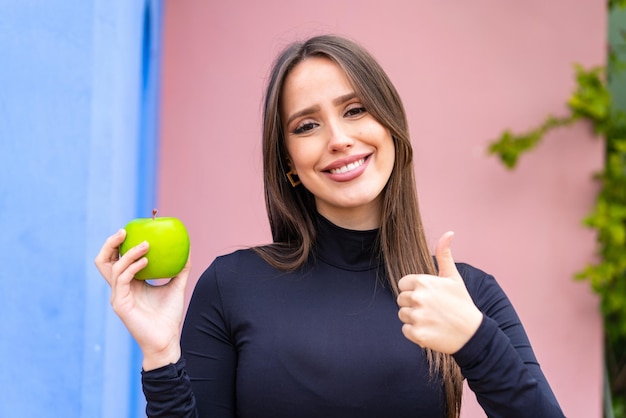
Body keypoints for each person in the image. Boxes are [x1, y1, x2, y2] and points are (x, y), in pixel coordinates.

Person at [95, 34, 565, 418]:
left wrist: (476, 341)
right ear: (290, 165)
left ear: (390, 126)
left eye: (355, 110)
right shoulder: (231, 286)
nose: (339, 139)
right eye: (306, 126)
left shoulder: (464, 295)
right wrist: (160, 354)